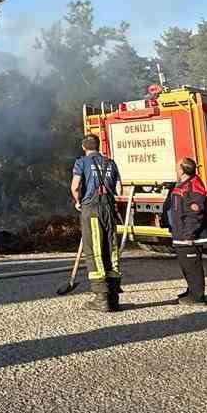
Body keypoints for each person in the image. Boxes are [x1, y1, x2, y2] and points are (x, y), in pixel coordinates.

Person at [71, 134, 123, 312]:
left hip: (92, 210)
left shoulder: (81, 162)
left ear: (83, 147)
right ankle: (114, 297)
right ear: (98, 146)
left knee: (95, 251)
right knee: (111, 250)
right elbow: (119, 189)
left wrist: (78, 202)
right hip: (109, 209)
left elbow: (75, 187)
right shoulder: (111, 163)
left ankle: (101, 298)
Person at [161, 157, 207, 305]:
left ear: (183, 171)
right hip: (180, 233)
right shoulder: (183, 185)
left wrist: (189, 235)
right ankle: (191, 291)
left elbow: (195, 214)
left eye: (177, 167)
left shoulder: (193, 186)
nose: (176, 170)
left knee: (192, 266)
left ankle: (197, 297)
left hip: (188, 236)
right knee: (186, 266)